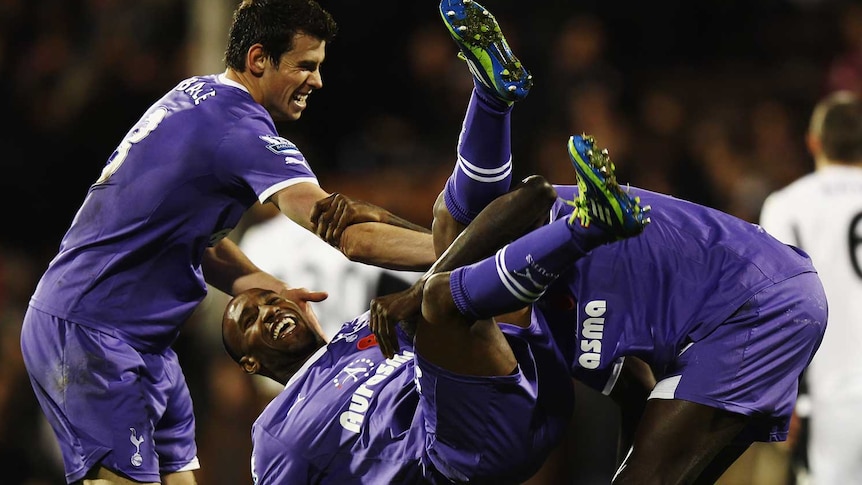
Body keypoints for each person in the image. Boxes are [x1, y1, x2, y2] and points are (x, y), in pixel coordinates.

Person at [349, 1, 829, 483]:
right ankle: (493, 100)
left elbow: (531, 196)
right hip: (747, 298)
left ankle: (498, 108)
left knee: (453, 266)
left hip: (750, 300)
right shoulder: (556, 335)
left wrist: (416, 294)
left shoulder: (519, 273)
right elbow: (636, 401)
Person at [19, 1, 435, 484]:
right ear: (259, 59)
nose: (317, 81)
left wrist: (264, 283)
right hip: (91, 331)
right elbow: (348, 236)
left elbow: (197, 239)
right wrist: (460, 250)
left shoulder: (196, 97)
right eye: (306, 65)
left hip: (144, 343)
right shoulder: (237, 129)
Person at [759, 90, 862, 484]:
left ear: (813, 142)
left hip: (830, 401)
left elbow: (779, 309)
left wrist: (782, 393)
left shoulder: (788, 205)